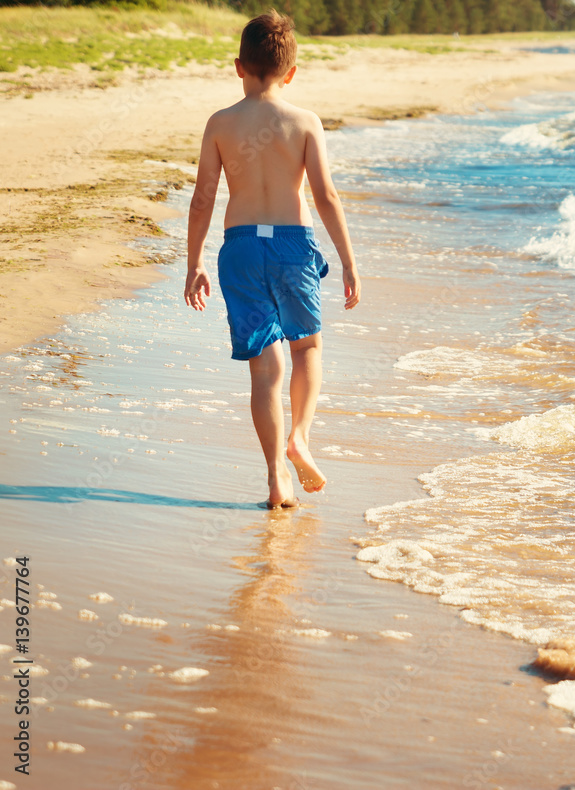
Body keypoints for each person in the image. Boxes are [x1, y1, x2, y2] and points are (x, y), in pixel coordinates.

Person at [184, 9, 360, 509]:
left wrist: (194, 262)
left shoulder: (220, 123)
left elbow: (202, 199)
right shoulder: (304, 122)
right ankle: (300, 436)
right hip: (291, 243)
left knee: (264, 369)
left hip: (240, 246)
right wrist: (348, 260)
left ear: (239, 66)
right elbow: (325, 195)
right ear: (292, 72)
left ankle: (274, 479)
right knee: (306, 348)